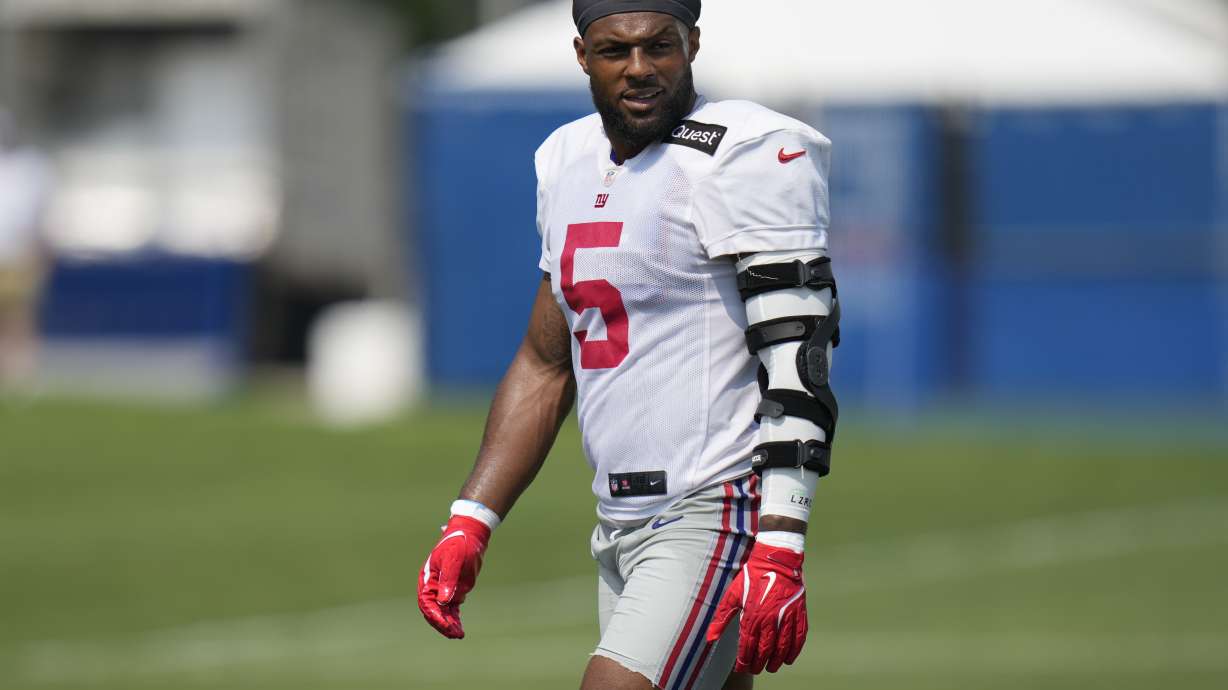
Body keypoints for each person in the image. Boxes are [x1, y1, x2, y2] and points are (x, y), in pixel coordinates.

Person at [418, 2, 841, 688]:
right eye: (616, 51)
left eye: (659, 47)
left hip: (712, 502)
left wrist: (782, 541)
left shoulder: (743, 151)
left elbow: (800, 352)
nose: (640, 69)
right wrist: (470, 518)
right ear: (583, 54)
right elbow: (546, 360)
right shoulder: (566, 158)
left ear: (693, 45)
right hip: (618, 521)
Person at [0, 109, 53, 390]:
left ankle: (20, 374)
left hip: (17, 254)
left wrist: (40, 249)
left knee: (18, 315)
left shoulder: (29, 169)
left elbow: (36, 216)